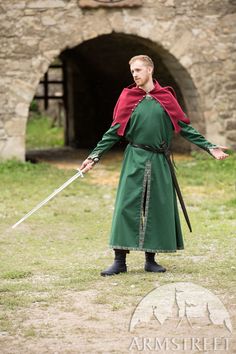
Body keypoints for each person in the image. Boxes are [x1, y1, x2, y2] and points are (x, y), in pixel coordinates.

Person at [80, 55, 229, 276]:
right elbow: (114, 131)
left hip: (159, 160)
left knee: (155, 208)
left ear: (150, 70)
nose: (135, 75)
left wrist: (209, 147)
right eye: (132, 71)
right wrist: (94, 156)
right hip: (135, 157)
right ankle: (119, 261)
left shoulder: (165, 97)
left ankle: (151, 259)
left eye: (139, 70)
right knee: (125, 206)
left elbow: (184, 127)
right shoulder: (128, 97)